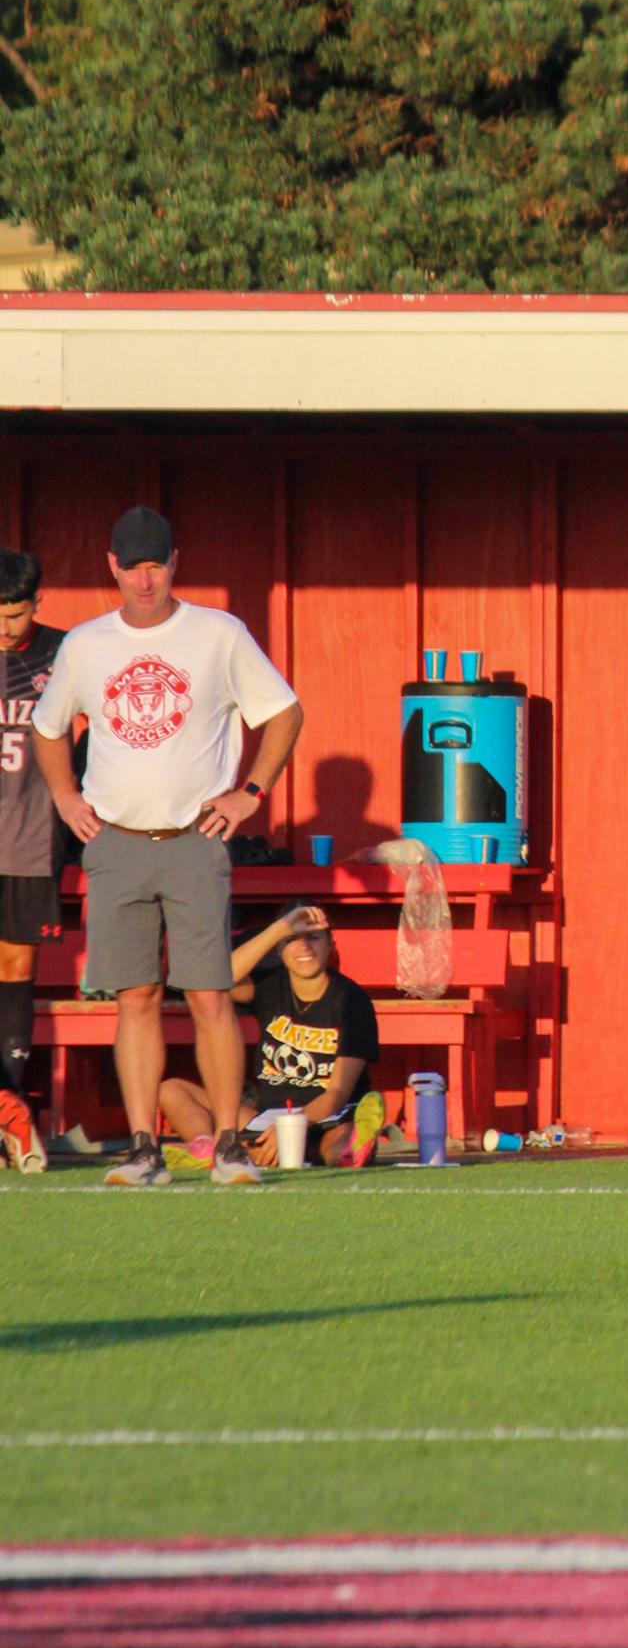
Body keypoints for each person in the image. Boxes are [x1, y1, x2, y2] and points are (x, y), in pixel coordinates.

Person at [31, 506, 304, 1189]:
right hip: (116, 840)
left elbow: (283, 710)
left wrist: (251, 791)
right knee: (136, 995)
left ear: (175, 561)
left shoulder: (217, 633)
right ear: (112, 565)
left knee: (211, 994)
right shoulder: (87, 644)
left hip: (194, 838)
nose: (145, 579)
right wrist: (66, 798)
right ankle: (145, 1147)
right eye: (133, 565)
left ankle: (232, 1145)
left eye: (156, 564)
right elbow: (48, 725)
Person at [160, 905, 384, 1169]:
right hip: (267, 1119)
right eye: (291, 939)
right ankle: (207, 1146)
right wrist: (278, 929)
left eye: (313, 937)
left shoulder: (351, 1000)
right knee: (171, 1090)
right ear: (278, 948)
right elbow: (217, 979)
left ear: (330, 944)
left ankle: (353, 1147)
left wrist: (292, 1127)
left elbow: (337, 1091)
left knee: (337, 1148)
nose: (304, 948)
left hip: (323, 1118)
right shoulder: (271, 985)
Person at [0, 548, 59, 1172]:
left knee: (16, 967)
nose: (7, 628)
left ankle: (12, 1108)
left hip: (30, 838)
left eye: (17, 615)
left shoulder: (63, 653)